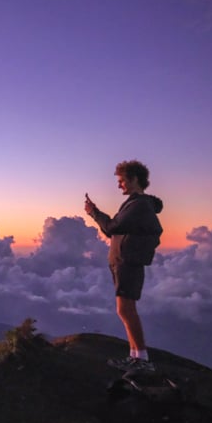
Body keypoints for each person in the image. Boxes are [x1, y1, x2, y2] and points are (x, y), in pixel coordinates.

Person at [85, 160, 163, 373]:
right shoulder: (135, 204)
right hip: (124, 262)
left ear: (134, 179)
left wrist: (93, 212)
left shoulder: (138, 205)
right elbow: (116, 230)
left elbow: (112, 227)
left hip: (128, 263)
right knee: (125, 310)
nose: (119, 185)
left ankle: (142, 359)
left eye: (121, 181)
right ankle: (135, 355)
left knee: (125, 309)